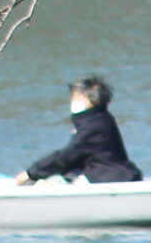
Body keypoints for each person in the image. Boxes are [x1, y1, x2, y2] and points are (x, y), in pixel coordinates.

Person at [15, 76, 143, 185]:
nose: (72, 102)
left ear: (88, 100)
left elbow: (67, 156)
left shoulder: (93, 127)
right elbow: (74, 159)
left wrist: (30, 173)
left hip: (109, 179)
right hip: (108, 176)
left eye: (75, 98)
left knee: (49, 183)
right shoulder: (100, 119)